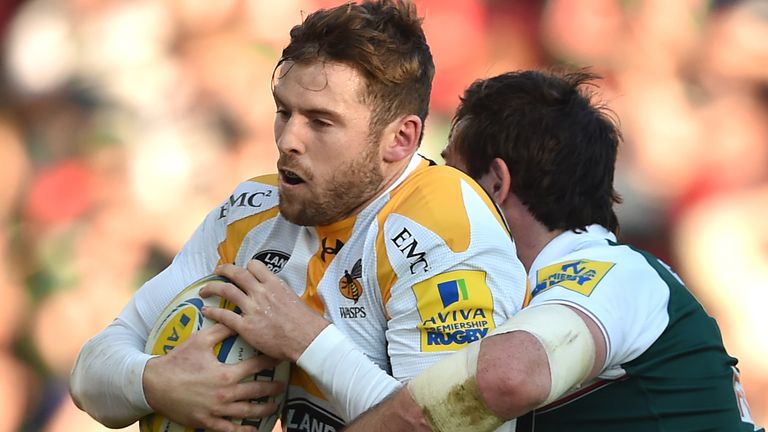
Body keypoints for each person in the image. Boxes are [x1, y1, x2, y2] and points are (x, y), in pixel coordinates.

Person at [206, 69, 765, 432]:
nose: (424, 189)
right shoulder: (497, 292)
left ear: (495, 184)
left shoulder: (614, 272)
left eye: (447, 169)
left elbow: (506, 379)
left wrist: (308, 339)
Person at [68, 1, 528, 431]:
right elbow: (91, 371)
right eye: (283, 112)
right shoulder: (254, 212)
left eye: (321, 122)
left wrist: (308, 341)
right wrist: (158, 383)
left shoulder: (443, 229)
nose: (289, 139)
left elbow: (439, 424)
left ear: (400, 139)